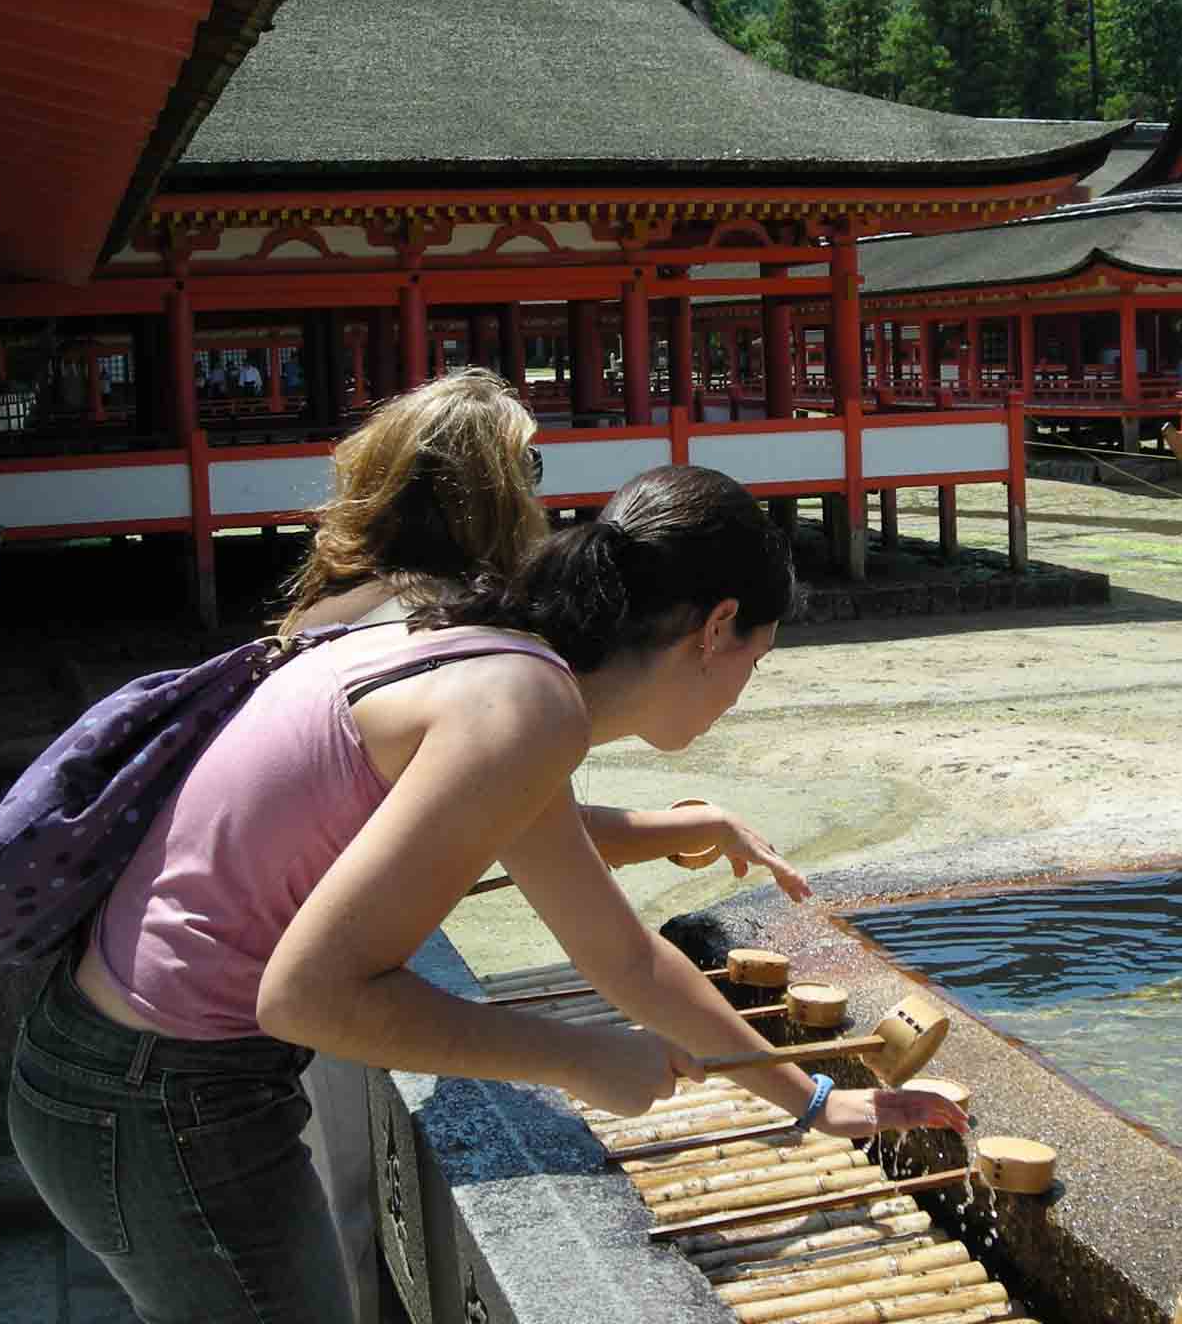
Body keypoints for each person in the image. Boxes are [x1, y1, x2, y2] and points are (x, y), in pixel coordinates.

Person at [8, 464, 970, 1324]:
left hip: (117, 1073)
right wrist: (578, 1057)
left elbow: (624, 956)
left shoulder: (496, 660)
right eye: (755, 660)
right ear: (718, 629)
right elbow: (308, 996)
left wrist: (809, 1104)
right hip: (160, 1096)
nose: (741, 692)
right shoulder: (523, 708)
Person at [270, 370, 804, 1323]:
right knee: (340, 1252)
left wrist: (683, 828)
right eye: (529, 472)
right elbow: (618, 953)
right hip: (210, 1054)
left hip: (174, 1035)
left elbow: (498, 822)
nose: (544, 503)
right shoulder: (494, 675)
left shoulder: (397, 620)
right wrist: (578, 1056)